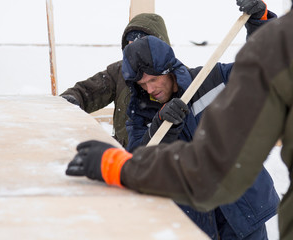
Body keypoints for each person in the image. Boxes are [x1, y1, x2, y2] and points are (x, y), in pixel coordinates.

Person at [65, 1, 293, 240]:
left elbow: (267, 70)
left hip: (242, 212)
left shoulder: (211, 79)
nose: (150, 89)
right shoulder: (141, 113)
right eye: (142, 85)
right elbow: (138, 155)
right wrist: (161, 126)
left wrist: (261, 21)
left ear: (168, 69)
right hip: (193, 221)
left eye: (153, 80)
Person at [60, 13, 171, 148]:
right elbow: (87, 91)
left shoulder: (179, 78)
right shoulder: (120, 72)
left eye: (140, 47)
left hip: (161, 161)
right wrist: (72, 100)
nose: (134, 55)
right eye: (130, 47)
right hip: (122, 157)